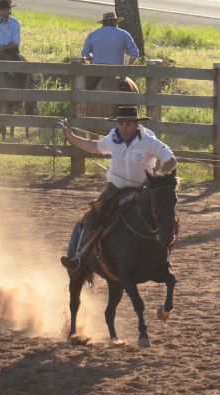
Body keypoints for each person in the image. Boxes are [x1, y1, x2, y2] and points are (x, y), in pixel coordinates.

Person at [58, 105, 177, 272]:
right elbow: (95, 146)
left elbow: (171, 161)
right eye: (121, 124)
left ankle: (162, 260)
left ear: (136, 124)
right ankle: (79, 257)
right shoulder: (112, 137)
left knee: (162, 214)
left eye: (128, 124)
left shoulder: (149, 141)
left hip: (141, 188)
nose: (124, 128)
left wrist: (158, 178)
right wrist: (72, 138)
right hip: (115, 187)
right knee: (92, 216)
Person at [81, 11, 140, 89]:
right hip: (117, 71)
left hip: (97, 71)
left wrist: (90, 58)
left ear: (103, 23)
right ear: (115, 22)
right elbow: (135, 54)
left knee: (83, 90)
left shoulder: (93, 34)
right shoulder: (124, 34)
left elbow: (84, 54)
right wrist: (126, 69)